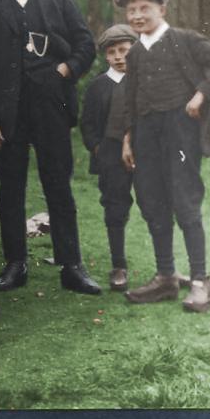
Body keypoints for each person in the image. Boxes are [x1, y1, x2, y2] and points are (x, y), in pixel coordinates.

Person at [0, 0, 100, 295]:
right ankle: (16, 264)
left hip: (51, 108)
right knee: (10, 189)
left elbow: (85, 44)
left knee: (58, 184)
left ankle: (71, 266)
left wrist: (66, 69)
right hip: (8, 115)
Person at [115, 0, 210, 313]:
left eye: (145, 8)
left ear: (162, 9)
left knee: (184, 202)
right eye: (131, 10)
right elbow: (130, 100)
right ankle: (166, 277)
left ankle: (201, 281)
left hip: (180, 133)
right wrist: (128, 138)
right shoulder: (133, 53)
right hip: (146, 133)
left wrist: (202, 93)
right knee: (152, 202)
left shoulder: (186, 41)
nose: (137, 15)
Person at [79, 24, 139, 292]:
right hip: (111, 155)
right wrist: (97, 149)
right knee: (115, 207)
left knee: (156, 204)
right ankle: (118, 265)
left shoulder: (146, 81)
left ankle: (166, 269)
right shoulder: (98, 86)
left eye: (124, 50)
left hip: (146, 153)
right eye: (112, 52)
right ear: (106, 56)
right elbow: (88, 123)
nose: (118, 56)